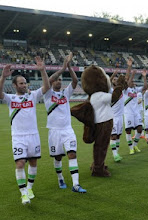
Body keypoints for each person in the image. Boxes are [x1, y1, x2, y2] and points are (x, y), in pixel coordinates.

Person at [0, 57, 50, 204]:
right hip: (18, 137)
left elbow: (46, 87)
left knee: (33, 162)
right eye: (21, 83)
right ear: (14, 85)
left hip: (33, 135)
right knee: (20, 163)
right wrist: (3, 77)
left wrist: (43, 71)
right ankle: (23, 193)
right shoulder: (10, 99)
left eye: (25, 83)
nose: (24, 85)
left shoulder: (33, 96)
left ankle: (29, 188)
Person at [44, 53, 86, 193]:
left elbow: (75, 82)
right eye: (56, 80)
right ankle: (60, 178)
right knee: (58, 157)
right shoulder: (47, 94)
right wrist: (61, 68)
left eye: (60, 80)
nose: (58, 81)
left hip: (67, 130)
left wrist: (68, 66)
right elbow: (49, 80)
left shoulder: (65, 93)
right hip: (54, 131)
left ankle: (76, 184)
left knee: (72, 154)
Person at [123, 60, 147, 154]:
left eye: (133, 81)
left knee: (140, 129)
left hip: (136, 112)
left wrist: (144, 77)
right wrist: (130, 70)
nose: (132, 82)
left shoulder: (136, 89)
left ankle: (134, 145)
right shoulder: (125, 90)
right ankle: (130, 148)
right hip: (128, 112)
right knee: (128, 130)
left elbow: (145, 87)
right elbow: (127, 80)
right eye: (131, 81)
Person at [110, 69, 124, 162]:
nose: (115, 80)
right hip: (113, 117)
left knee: (118, 136)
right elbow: (107, 82)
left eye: (116, 79)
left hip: (120, 117)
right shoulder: (110, 90)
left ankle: (117, 153)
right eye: (114, 79)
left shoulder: (121, 91)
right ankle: (115, 155)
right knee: (113, 136)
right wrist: (113, 74)